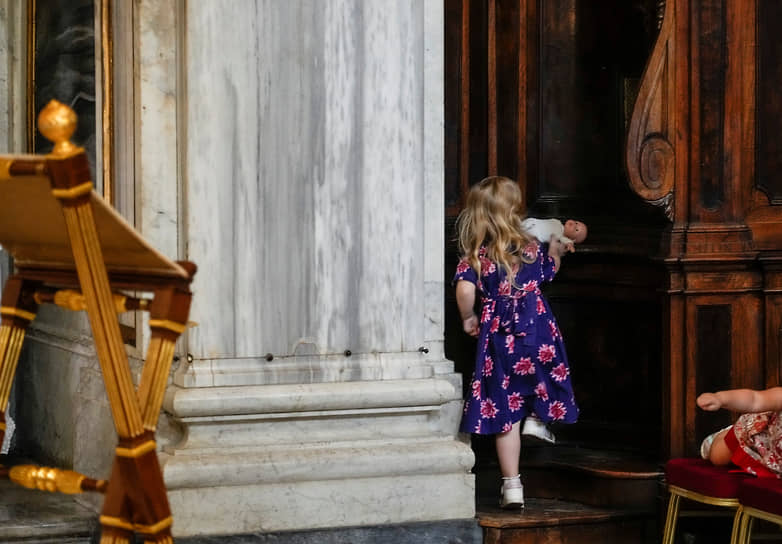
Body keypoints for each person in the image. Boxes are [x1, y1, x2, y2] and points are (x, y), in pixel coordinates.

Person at [454, 176, 580, 508]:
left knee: (504, 409)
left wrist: (469, 317)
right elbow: (549, 270)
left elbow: (465, 290)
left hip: (498, 335)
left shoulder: (476, 256)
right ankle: (539, 420)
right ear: (514, 210)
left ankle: (512, 485)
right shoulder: (529, 248)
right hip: (535, 327)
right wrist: (556, 251)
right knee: (547, 372)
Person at [697, 387, 782, 478]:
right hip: (758, 437)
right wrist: (720, 398)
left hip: (775, 459)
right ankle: (723, 435)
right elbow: (755, 399)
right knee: (717, 457)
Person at [522, 217, 588, 254]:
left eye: (576, 229)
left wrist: (570, 245)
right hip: (533, 222)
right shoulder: (559, 223)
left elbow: (567, 242)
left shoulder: (561, 236)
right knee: (522, 224)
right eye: (576, 223)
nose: (574, 225)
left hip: (535, 234)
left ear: (572, 239)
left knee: (522, 234)